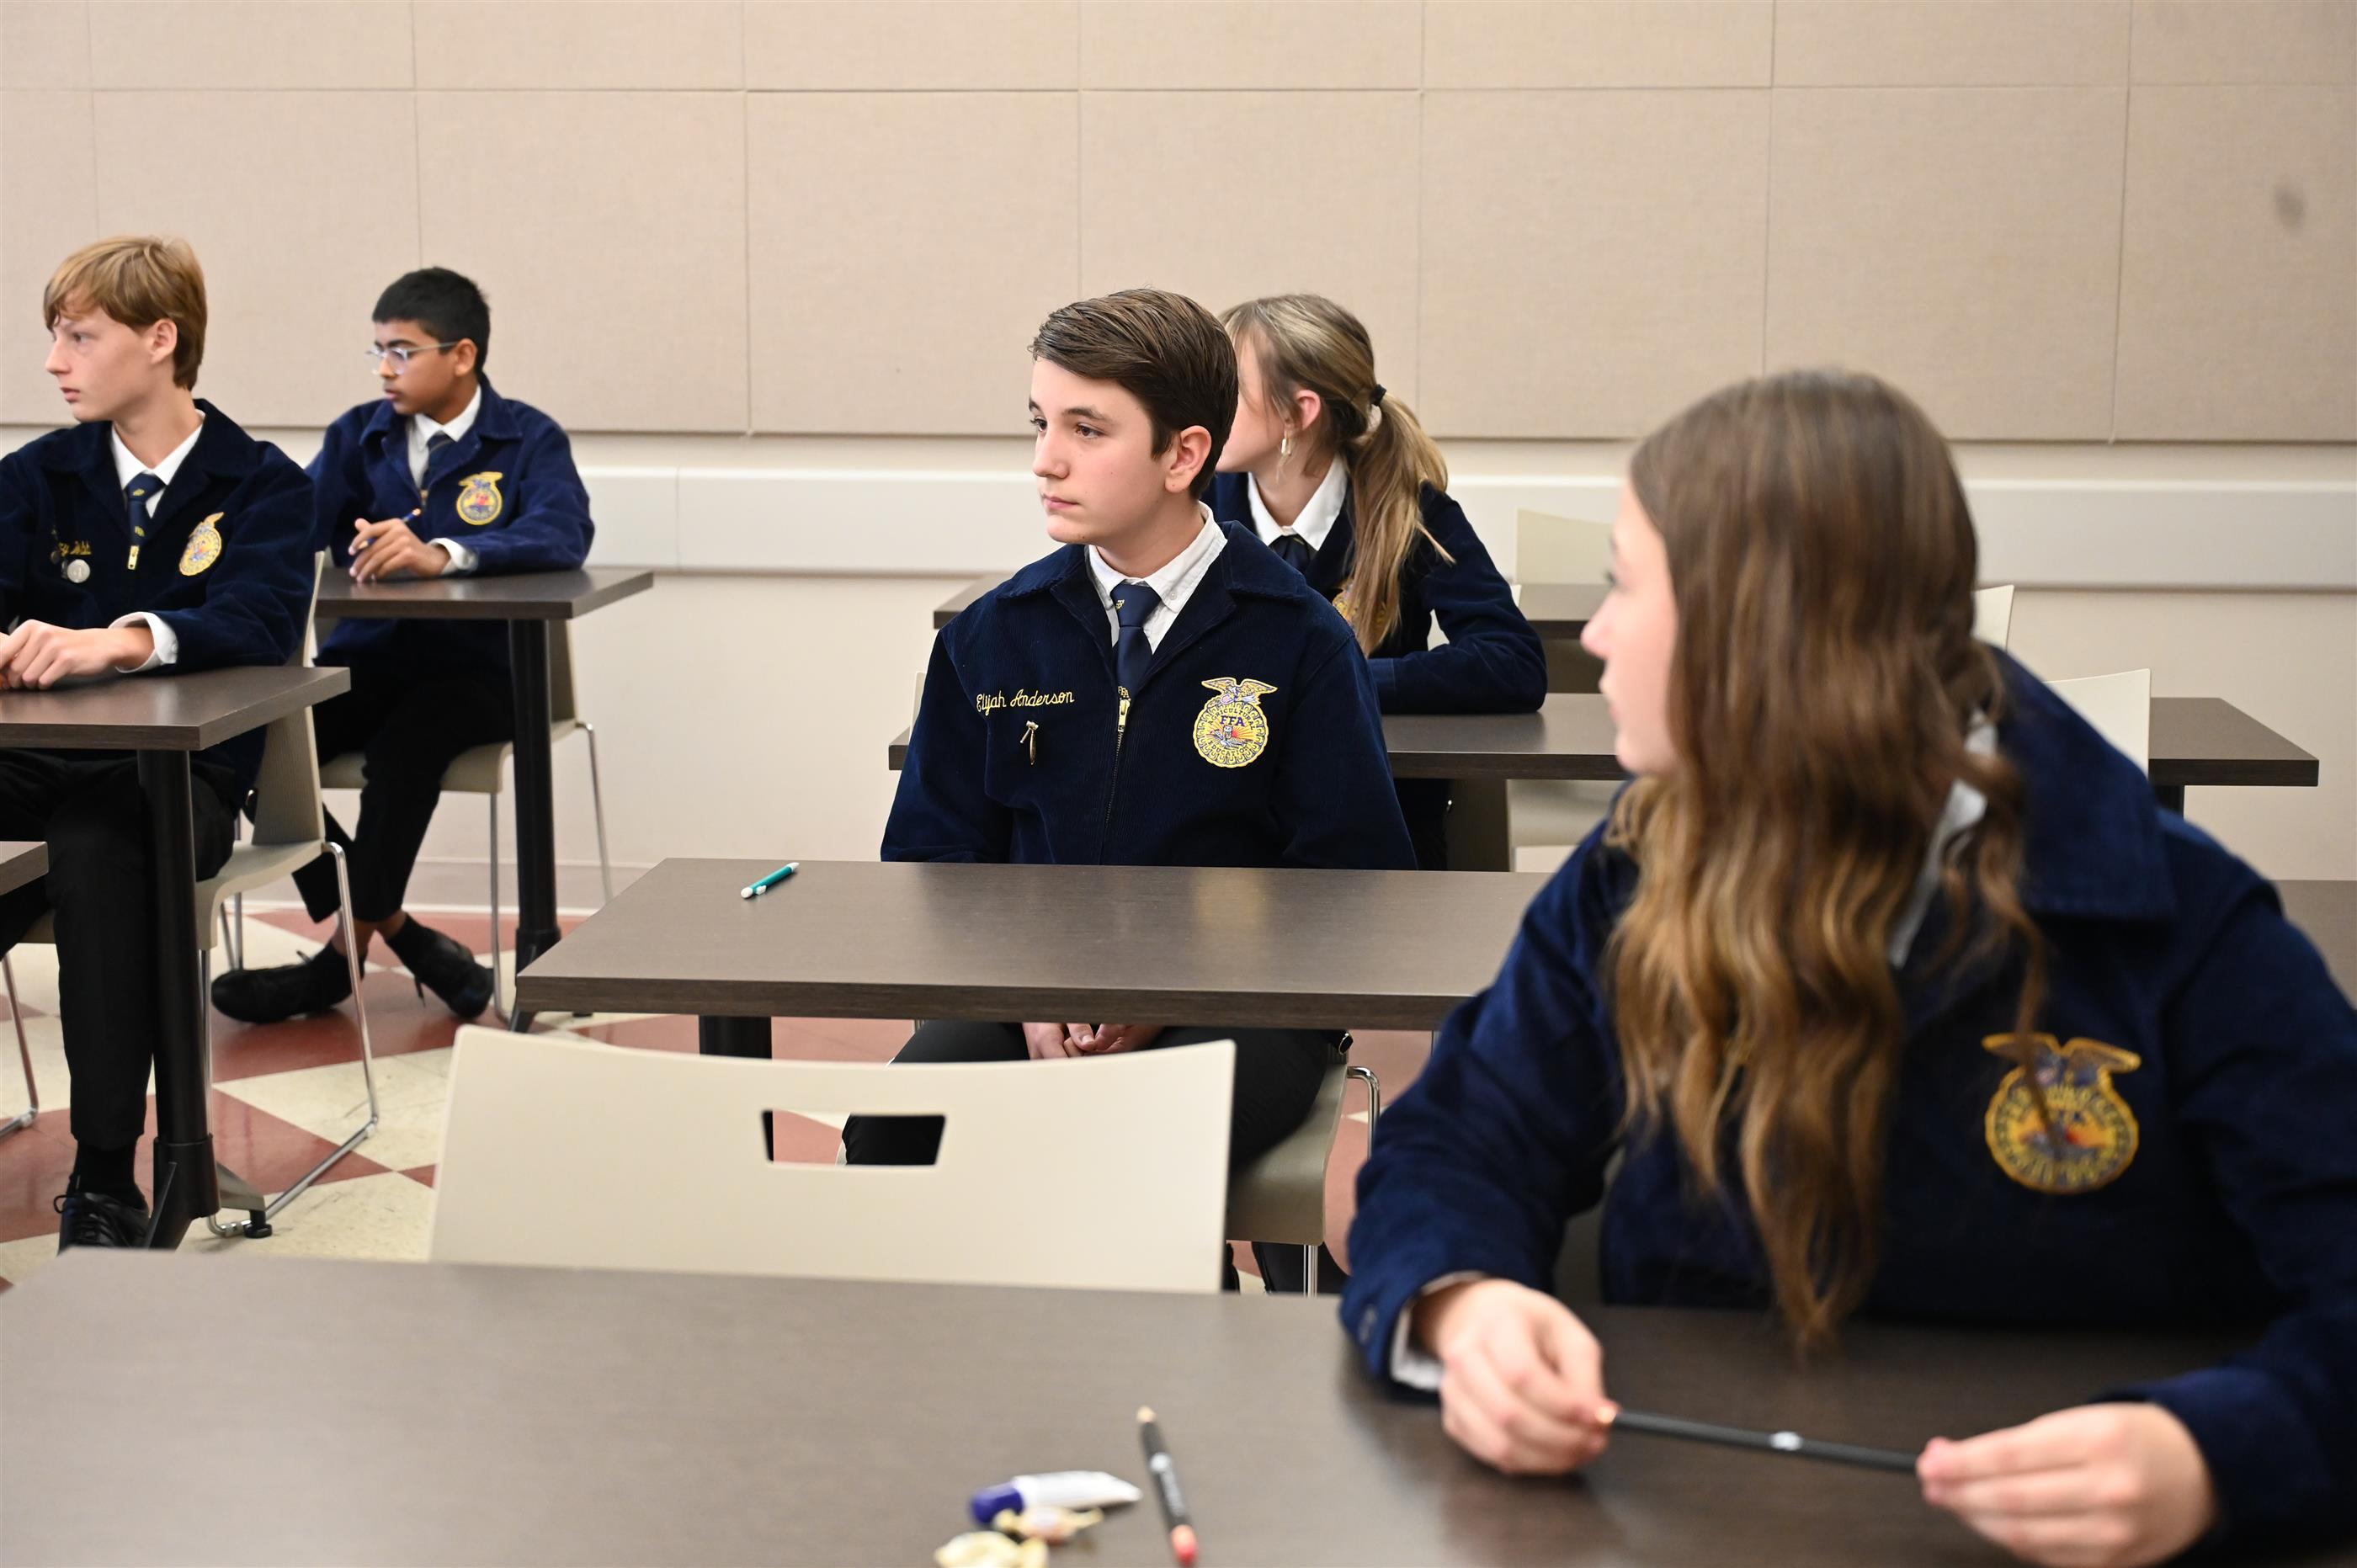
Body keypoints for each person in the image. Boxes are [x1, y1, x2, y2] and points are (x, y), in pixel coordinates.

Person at [1343, 369, 2357, 1564]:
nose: (1596, 635)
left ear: (1758, 630)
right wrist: (1462, 1303)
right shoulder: (1637, 868)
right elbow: (1459, 1142)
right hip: (1699, 1514)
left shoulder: (2176, 922)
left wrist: (2212, 1456)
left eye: (1625, 585)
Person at [845, 289, 1416, 1291]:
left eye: (1086, 429)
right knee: (891, 1136)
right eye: (1039, 423)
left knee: (1124, 1149)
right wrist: (1033, 997)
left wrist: (1159, 997)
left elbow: (1353, 883)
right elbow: (930, 863)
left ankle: (1177, 1351)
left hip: (1244, 1003)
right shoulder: (992, 636)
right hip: (1025, 995)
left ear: (1183, 455)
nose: (1045, 460)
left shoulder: (1298, 641)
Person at [0, 235, 312, 1248]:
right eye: (56, 337)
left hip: (182, 782)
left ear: (161, 340)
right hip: (33, 766)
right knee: (75, 844)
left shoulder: (262, 484)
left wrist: (119, 641)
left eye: (79, 337)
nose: (54, 362)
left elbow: (259, 622)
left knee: (97, 848)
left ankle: (104, 1179)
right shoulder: (33, 477)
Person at [209, 267, 593, 1024]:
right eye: (377, 351)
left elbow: (564, 532)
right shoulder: (359, 433)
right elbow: (292, 523)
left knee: (406, 750)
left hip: (483, 673)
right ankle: (402, 934)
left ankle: (336, 964)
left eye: (403, 352)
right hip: (370, 661)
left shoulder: (526, 437)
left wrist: (442, 553)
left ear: (463, 355)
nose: (384, 369)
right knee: (250, 741)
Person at [1208, 294, 1544, 868]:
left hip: (1375, 827)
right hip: (1232, 822)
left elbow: (1513, 661)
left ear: (1298, 414)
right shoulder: (1194, 509)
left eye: (1228, 390)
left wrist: (1341, 680)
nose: (1203, 405)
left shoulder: (1409, 510)